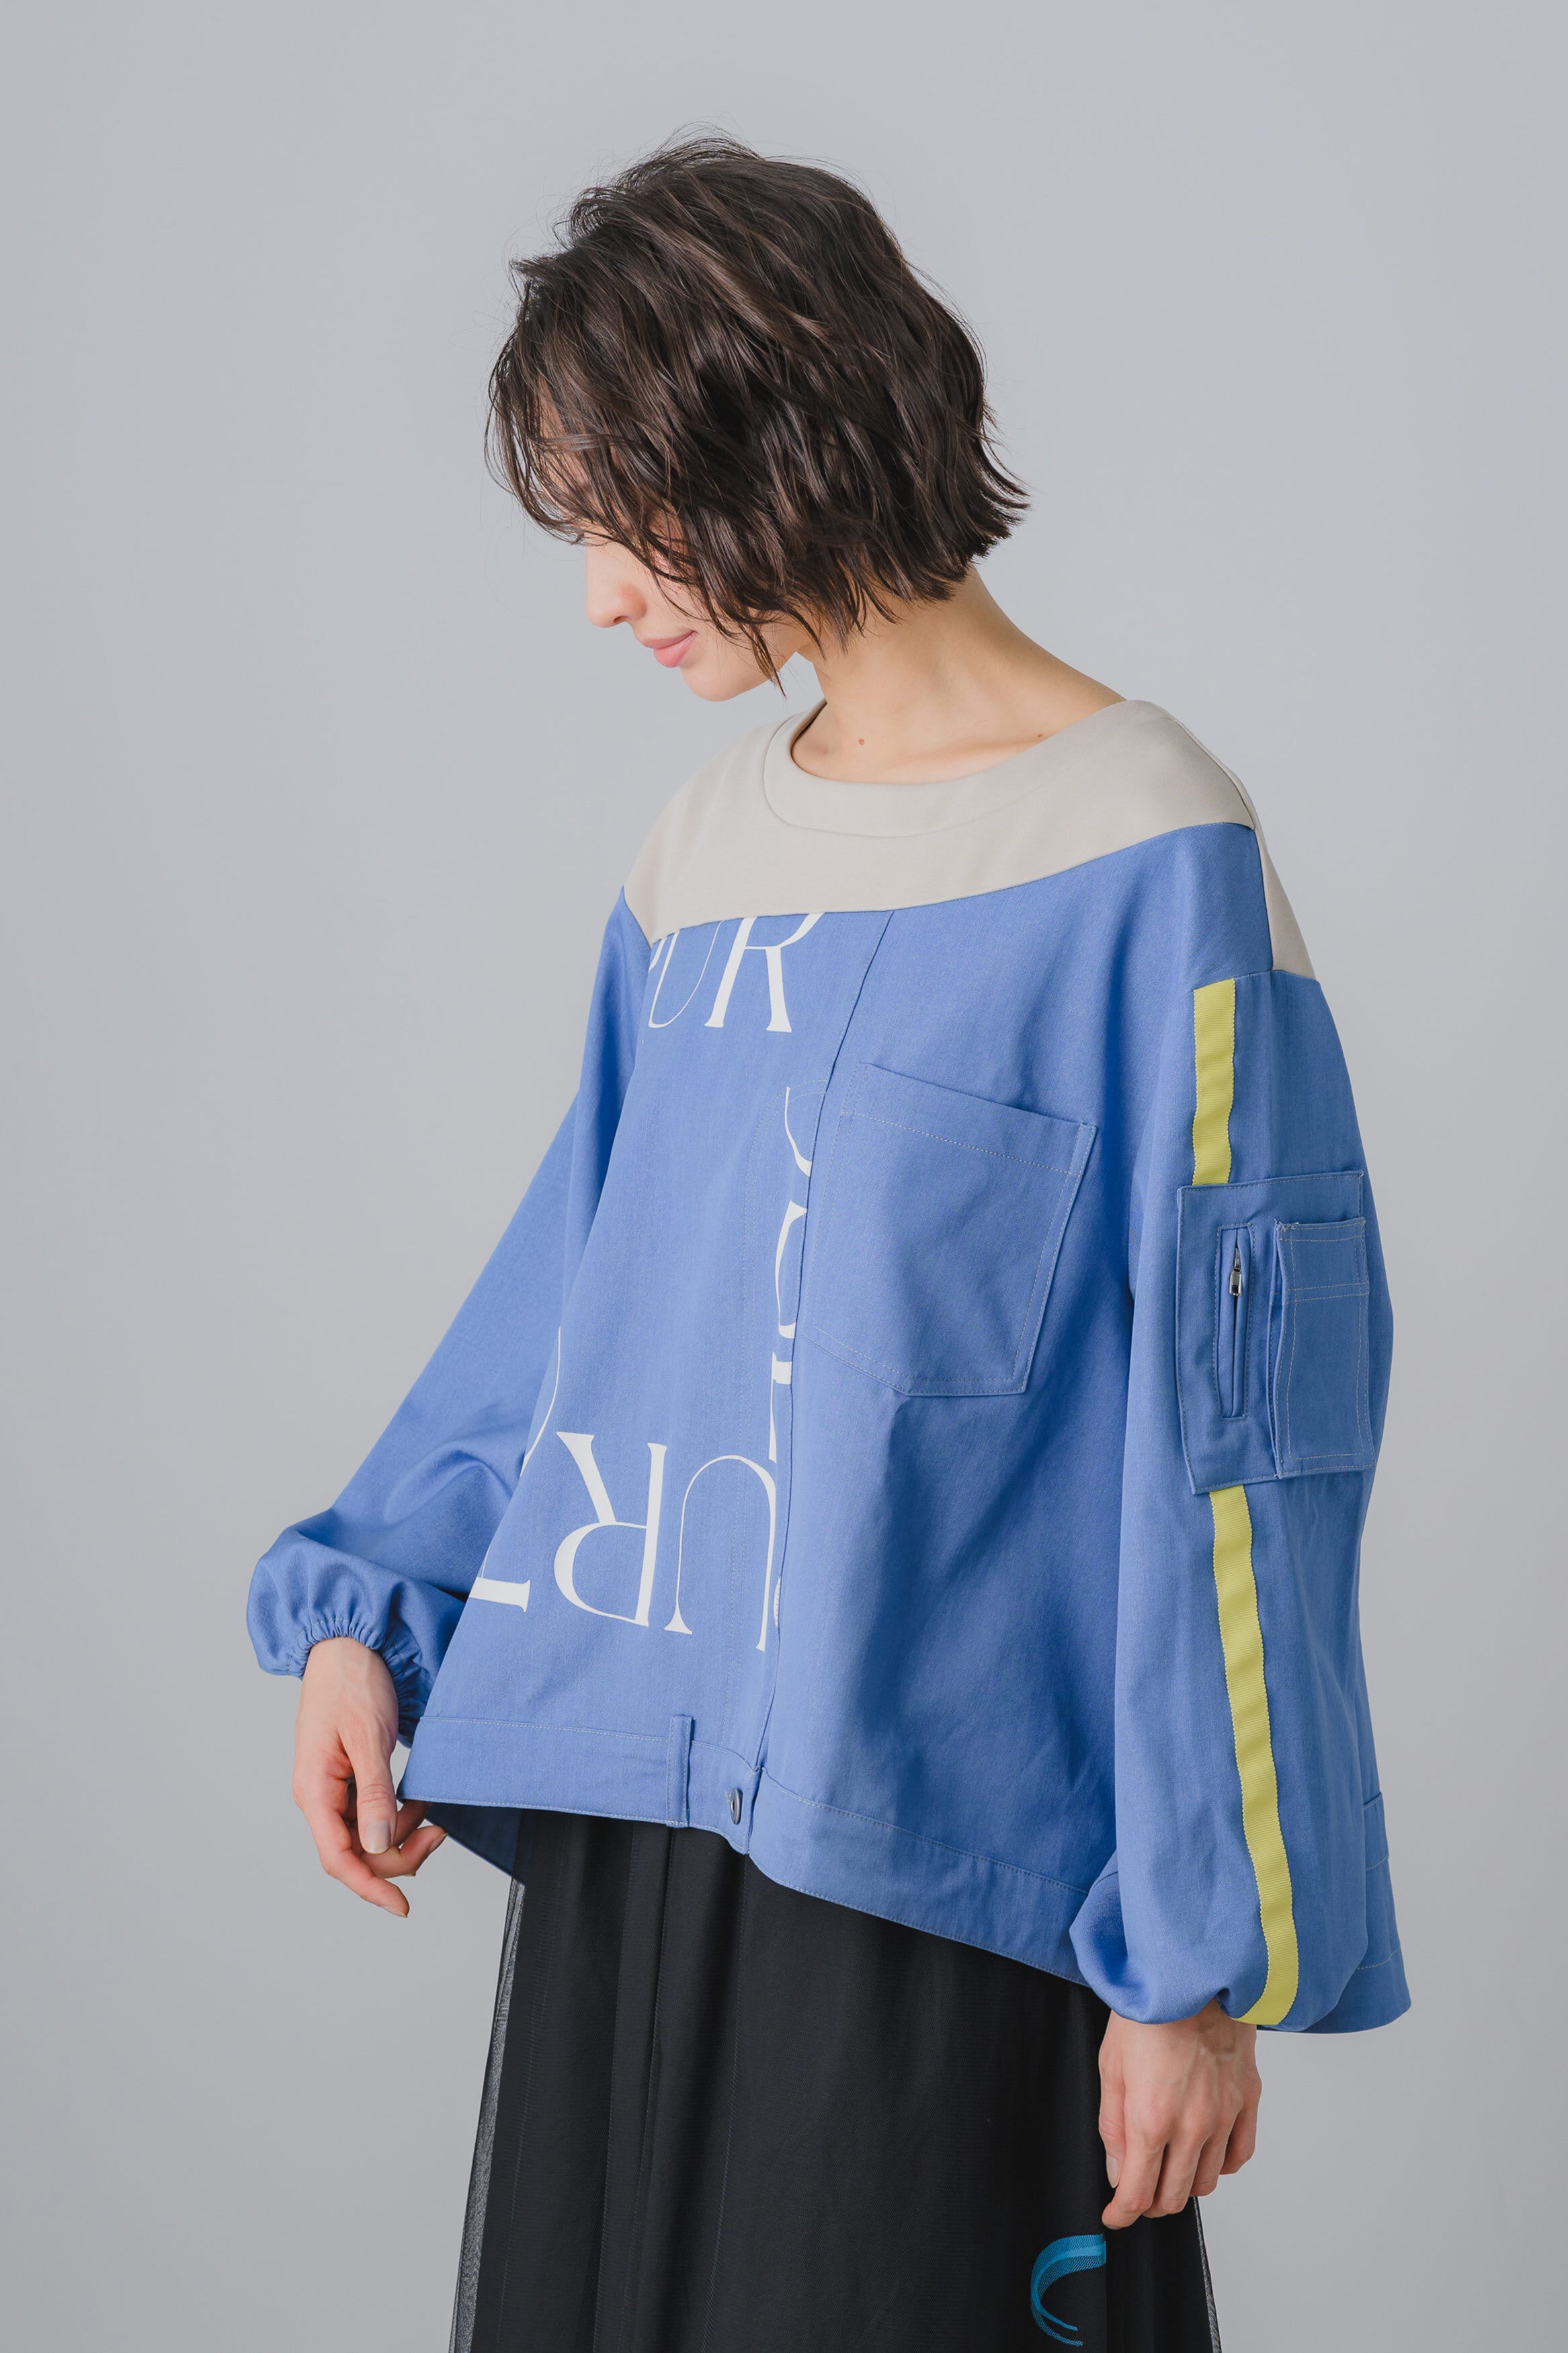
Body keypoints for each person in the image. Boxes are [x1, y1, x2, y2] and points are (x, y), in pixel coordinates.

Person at [248, 136, 1407, 2352]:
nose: (603, 594)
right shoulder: (703, 860)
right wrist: (372, 1609)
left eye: (619, 513)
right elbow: (587, 1298)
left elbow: (1244, 1452)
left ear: (775, 427)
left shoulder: (1148, 857)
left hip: (939, 1884)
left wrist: (1196, 1958)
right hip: (645, 1850)